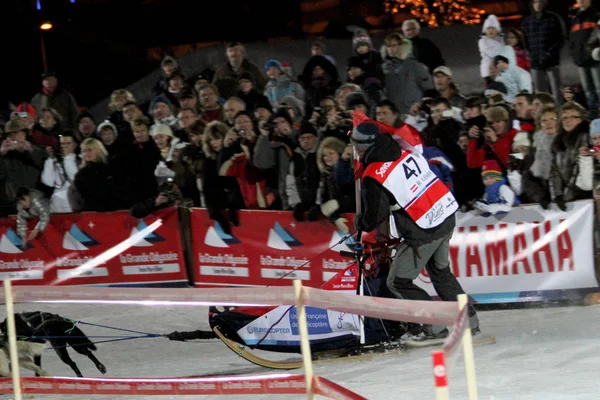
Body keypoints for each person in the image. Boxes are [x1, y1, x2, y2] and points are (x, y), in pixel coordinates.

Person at [350, 118, 479, 340]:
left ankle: (434, 328)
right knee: (441, 273)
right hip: (445, 216)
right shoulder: (401, 148)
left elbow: (376, 216)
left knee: (398, 281)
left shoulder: (374, 173)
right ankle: (469, 322)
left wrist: (360, 222)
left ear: (361, 147)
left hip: (423, 230)